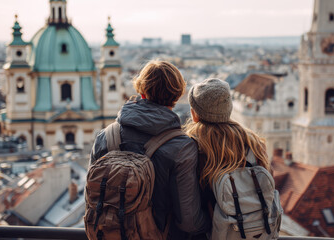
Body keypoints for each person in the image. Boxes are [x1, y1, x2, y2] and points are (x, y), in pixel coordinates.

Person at [90, 60, 209, 239]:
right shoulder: (182, 147)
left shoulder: (106, 136)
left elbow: (92, 196)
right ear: (177, 96)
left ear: (141, 90)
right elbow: (189, 221)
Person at [184, 78, 271, 231]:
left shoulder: (194, 147)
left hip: (217, 230)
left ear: (194, 115)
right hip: (257, 230)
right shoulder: (254, 143)